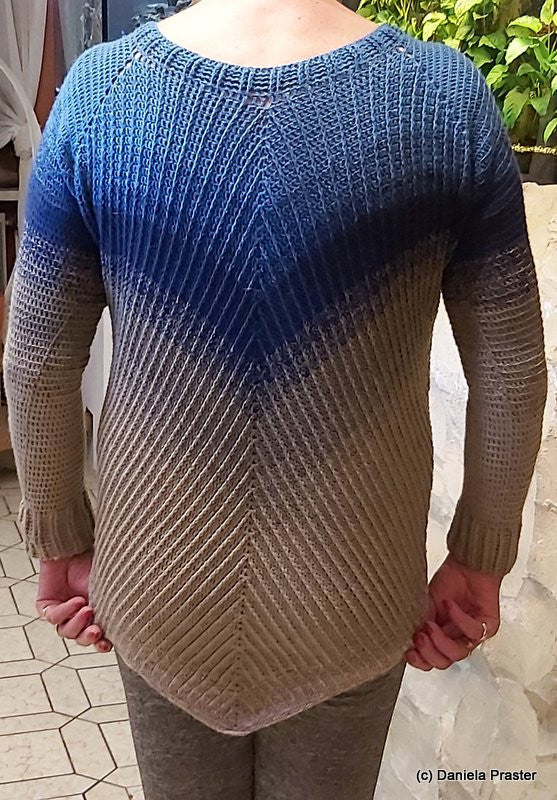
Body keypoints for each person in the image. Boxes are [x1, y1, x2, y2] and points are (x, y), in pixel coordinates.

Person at [2, 0, 547, 797]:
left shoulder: (101, 92)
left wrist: (62, 539)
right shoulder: (444, 99)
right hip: (353, 586)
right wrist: (478, 556)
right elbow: (511, 365)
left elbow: (36, 360)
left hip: (160, 581)